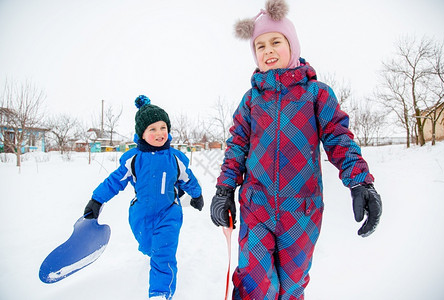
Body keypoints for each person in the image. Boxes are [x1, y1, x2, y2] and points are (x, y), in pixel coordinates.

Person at [209, 0, 382, 299]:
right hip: (256, 206)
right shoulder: (251, 101)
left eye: (276, 41)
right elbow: (237, 146)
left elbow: (338, 138)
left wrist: (361, 182)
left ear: (293, 46)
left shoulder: (316, 94)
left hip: (302, 211)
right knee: (256, 285)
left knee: (291, 288)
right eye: (260, 46)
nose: (268, 50)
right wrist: (225, 190)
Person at [84, 95, 204, 300]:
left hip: (169, 213)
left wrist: (197, 194)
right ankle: (154, 256)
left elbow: (187, 178)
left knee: (163, 255)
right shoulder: (133, 159)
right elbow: (114, 181)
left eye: (163, 127)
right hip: (141, 214)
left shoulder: (175, 158)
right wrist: (97, 200)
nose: (160, 133)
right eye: (153, 129)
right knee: (149, 246)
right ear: (142, 133)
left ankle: (160, 293)